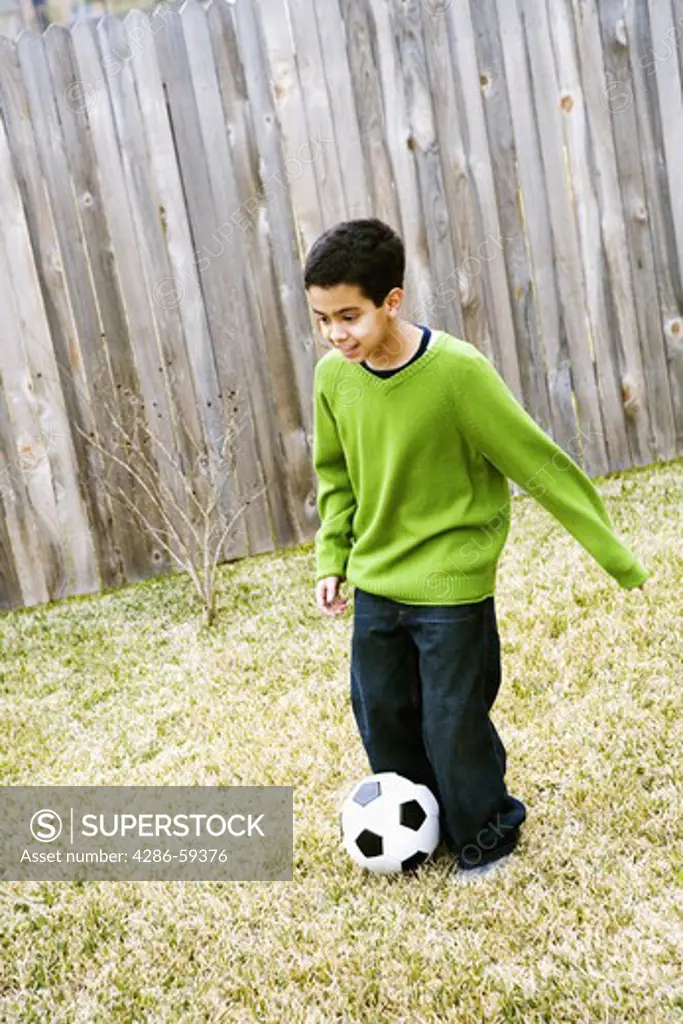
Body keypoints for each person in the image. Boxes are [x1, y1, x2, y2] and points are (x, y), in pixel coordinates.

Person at [305, 218, 650, 878]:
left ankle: (487, 831)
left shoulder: (457, 372)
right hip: (377, 578)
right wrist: (332, 558)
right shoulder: (332, 379)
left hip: (451, 583)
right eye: (322, 319)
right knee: (380, 711)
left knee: (450, 719)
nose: (334, 333)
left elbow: (537, 463)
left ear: (392, 301)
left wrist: (614, 556)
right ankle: (422, 822)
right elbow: (335, 476)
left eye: (348, 316)